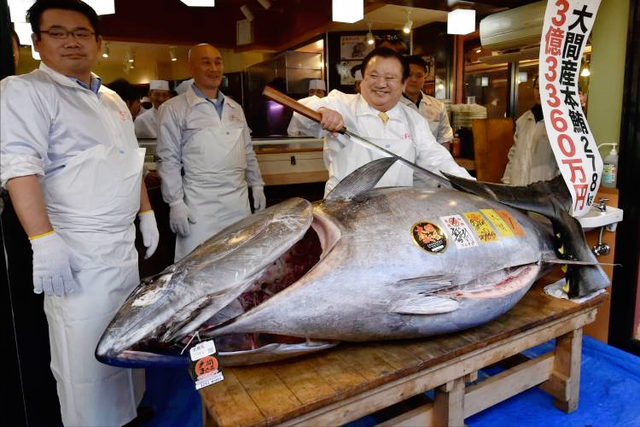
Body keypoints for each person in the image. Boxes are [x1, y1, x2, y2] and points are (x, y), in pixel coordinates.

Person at [0, 1, 159, 426]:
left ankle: (131, 415)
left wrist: (145, 212)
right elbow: (20, 169)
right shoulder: (24, 91)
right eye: (57, 32)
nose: (71, 41)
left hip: (122, 247)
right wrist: (43, 240)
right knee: (83, 354)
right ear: (37, 42)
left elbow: (129, 161)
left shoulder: (111, 99)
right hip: (74, 248)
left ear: (98, 42)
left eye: (81, 32)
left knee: (126, 342)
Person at [288, 47, 471, 196]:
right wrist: (322, 112)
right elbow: (301, 113)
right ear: (362, 79)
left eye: (390, 78)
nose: (381, 84)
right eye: (373, 76)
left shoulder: (413, 119)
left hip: (397, 209)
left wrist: (472, 188)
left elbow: (438, 159)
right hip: (343, 209)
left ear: (403, 83)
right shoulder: (341, 103)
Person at [156, 43, 266, 261]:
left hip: (237, 201)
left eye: (218, 61)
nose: (214, 68)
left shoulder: (235, 108)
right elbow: (168, 159)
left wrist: (257, 184)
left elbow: (247, 151)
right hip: (199, 204)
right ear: (191, 68)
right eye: (206, 62)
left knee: (238, 261)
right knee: (199, 264)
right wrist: (175, 202)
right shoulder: (174, 108)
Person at [502, 75, 560, 185]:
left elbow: (562, 164)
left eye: (545, 88)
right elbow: (514, 154)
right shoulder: (523, 119)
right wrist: (507, 180)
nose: (540, 92)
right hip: (517, 185)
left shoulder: (559, 123)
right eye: (537, 88)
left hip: (543, 189)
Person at [401, 55, 453, 151]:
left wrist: (445, 164)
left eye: (419, 75)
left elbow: (444, 139)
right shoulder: (391, 105)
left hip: (431, 163)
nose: (414, 80)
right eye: (409, 75)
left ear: (425, 76)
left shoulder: (438, 106)